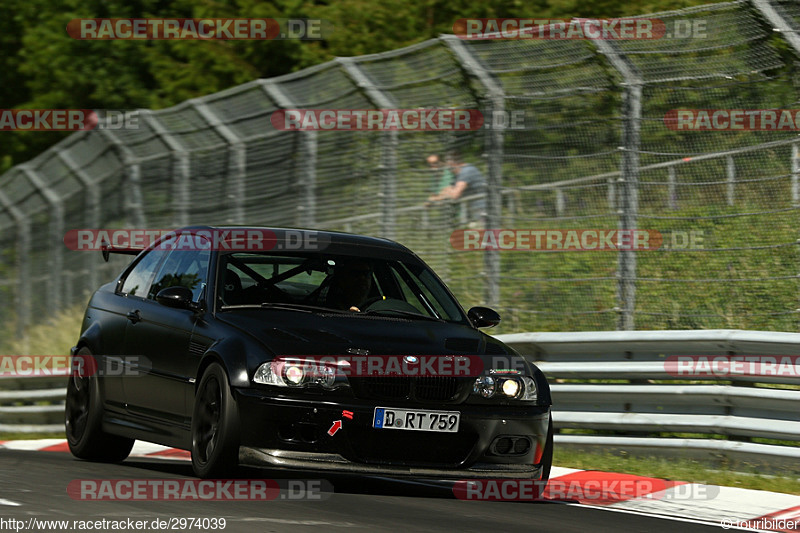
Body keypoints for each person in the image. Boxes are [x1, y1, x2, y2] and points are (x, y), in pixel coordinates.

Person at [428, 150, 487, 227]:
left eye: (448, 165)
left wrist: (436, 199)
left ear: (453, 163)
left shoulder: (466, 171)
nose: (447, 168)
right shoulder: (457, 175)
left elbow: (455, 194)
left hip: (484, 211)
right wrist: (441, 196)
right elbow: (445, 190)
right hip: (475, 213)